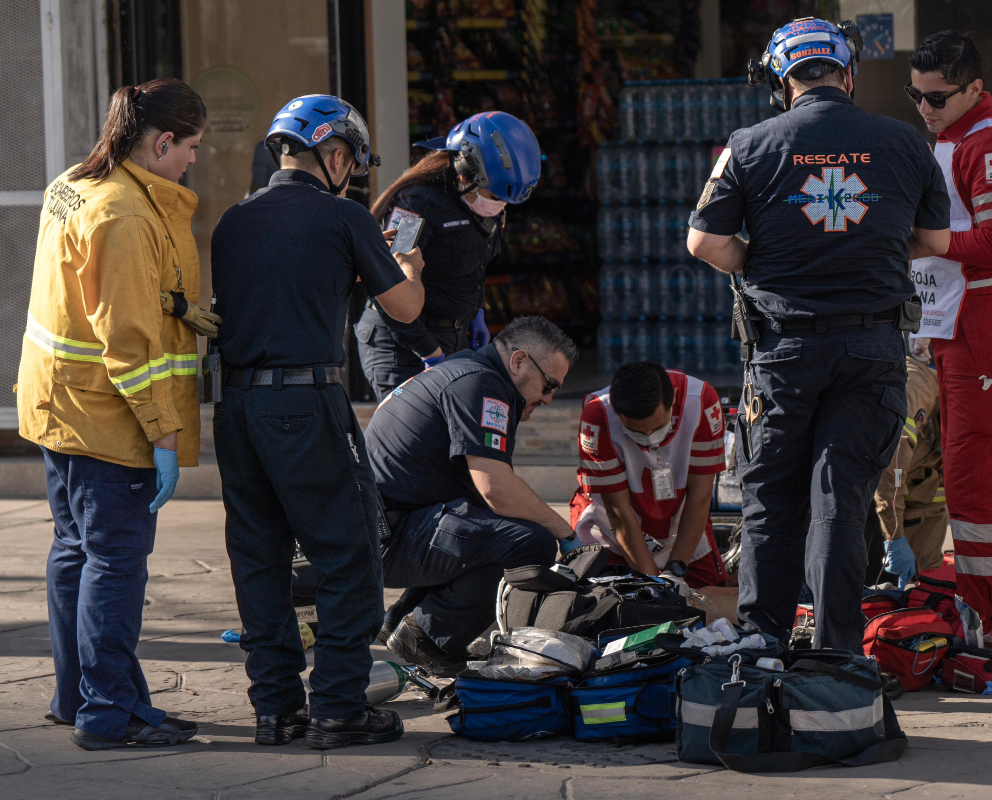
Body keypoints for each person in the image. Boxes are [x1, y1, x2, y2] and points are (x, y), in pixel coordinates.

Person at [686, 17, 951, 651]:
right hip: (872, 351)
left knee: (773, 502)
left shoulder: (748, 145)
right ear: (847, 74)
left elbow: (704, 241)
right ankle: (837, 653)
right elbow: (936, 242)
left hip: (784, 352)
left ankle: (763, 645)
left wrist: (767, 258)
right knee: (841, 502)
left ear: (783, 82)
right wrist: (871, 249)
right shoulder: (905, 142)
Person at [211, 94, 425, 750]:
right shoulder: (345, 217)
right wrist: (406, 263)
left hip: (237, 410)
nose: (350, 174)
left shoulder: (233, 222)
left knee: (260, 561)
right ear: (333, 155)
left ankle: (276, 710)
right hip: (306, 406)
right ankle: (337, 706)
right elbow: (406, 310)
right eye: (350, 162)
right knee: (348, 554)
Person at [17, 80, 211, 750]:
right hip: (107, 422)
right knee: (114, 563)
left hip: (57, 409)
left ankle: (77, 697)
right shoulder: (125, 214)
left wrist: (178, 308)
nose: (192, 161)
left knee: (74, 552)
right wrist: (164, 434)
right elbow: (126, 343)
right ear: (161, 143)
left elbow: (91, 289)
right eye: (190, 147)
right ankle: (109, 712)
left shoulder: (73, 182)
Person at [905, 30, 992, 632]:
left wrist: (922, 240)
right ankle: (983, 601)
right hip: (962, 320)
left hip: (984, 324)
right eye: (916, 97)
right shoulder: (955, 136)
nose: (924, 109)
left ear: (975, 90)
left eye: (937, 98)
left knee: (972, 472)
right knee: (963, 468)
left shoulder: (990, 142)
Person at [364, 316, 580, 674]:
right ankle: (425, 638)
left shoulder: (468, 371)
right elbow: (495, 488)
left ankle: (402, 621)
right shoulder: (481, 383)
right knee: (531, 543)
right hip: (384, 537)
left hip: (385, 527)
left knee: (496, 528)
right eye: (549, 384)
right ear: (519, 360)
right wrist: (565, 533)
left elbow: (488, 494)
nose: (549, 398)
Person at [356, 112, 542, 400]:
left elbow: (472, 267)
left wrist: (474, 313)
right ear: (466, 173)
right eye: (494, 197)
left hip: (451, 337)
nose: (499, 206)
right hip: (402, 342)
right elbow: (387, 288)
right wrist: (429, 352)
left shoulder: (484, 210)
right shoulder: (416, 204)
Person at [569, 361, 729, 589]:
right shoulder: (598, 415)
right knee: (617, 602)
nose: (650, 438)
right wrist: (654, 583)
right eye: (636, 431)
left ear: (673, 398)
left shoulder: (701, 401)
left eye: (657, 427)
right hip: (610, 529)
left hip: (681, 520)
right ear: (616, 409)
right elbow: (618, 512)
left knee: (711, 596)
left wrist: (676, 570)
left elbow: (700, 496)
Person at [872, 347, 946, 586]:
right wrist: (894, 538)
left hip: (886, 497)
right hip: (857, 486)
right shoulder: (915, 389)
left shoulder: (942, 418)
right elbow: (890, 467)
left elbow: (932, 499)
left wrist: (929, 573)